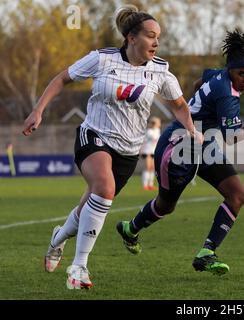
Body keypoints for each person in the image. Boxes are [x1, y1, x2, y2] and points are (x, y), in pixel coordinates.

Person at [22, 5, 201, 289]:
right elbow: (61, 79)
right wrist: (38, 110)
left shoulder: (161, 72)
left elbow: (179, 106)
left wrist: (191, 129)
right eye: (150, 36)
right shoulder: (102, 59)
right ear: (131, 38)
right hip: (93, 136)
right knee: (104, 189)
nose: (156, 42)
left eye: (159, 37)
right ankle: (79, 267)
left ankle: (58, 238)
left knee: (89, 207)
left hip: (128, 152)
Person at [116, 29, 244, 275]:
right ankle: (131, 229)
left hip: (203, 145)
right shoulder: (227, 94)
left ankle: (207, 253)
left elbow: (198, 83)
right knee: (165, 206)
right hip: (177, 147)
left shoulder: (217, 74)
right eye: (242, 73)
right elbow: (233, 137)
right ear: (231, 71)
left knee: (237, 195)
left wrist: (199, 111)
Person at [141, 116, 161, 190]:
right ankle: (145, 185)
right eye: (158, 122)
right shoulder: (149, 131)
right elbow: (154, 138)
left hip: (153, 151)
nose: (159, 124)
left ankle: (150, 184)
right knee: (147, 167)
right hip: (147, 151)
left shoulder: (157, 130)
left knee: (152, 168)